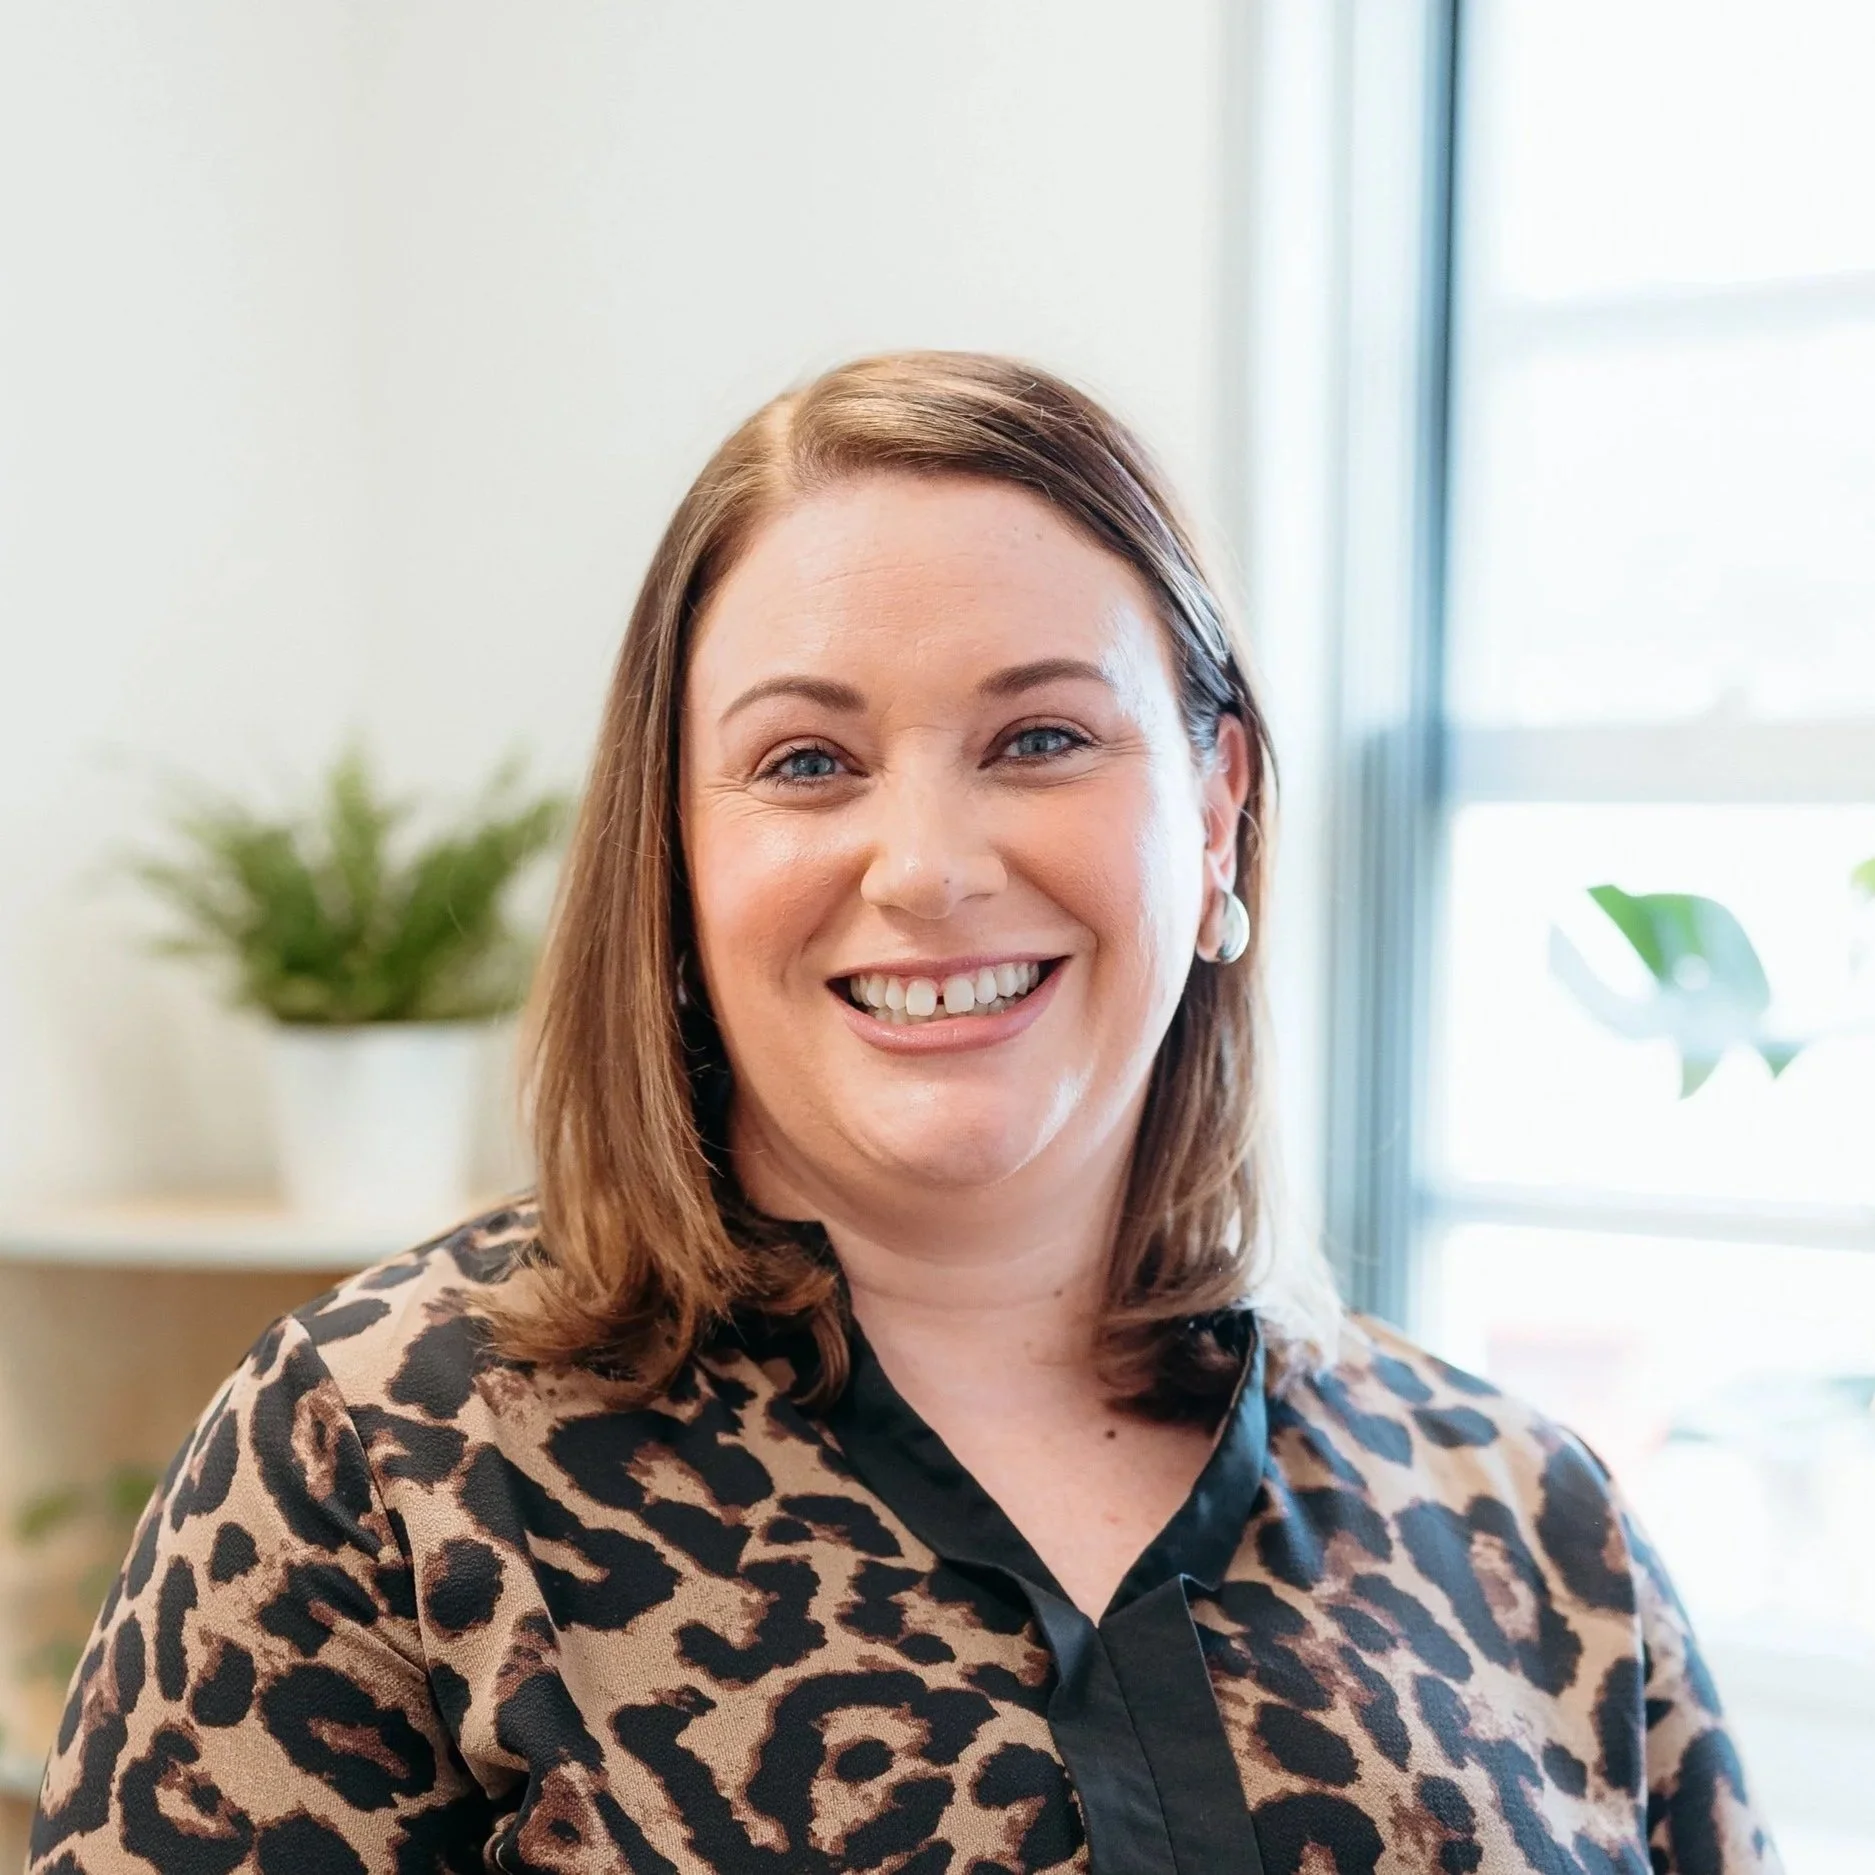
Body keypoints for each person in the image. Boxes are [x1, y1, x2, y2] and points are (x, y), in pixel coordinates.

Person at [30, 353, 1777, 1875]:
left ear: (1218, 803)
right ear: (677, 850)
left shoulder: (1529, 1524)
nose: (931, 868)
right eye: (807, 763)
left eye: (1041, 739)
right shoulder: (382, 1462)